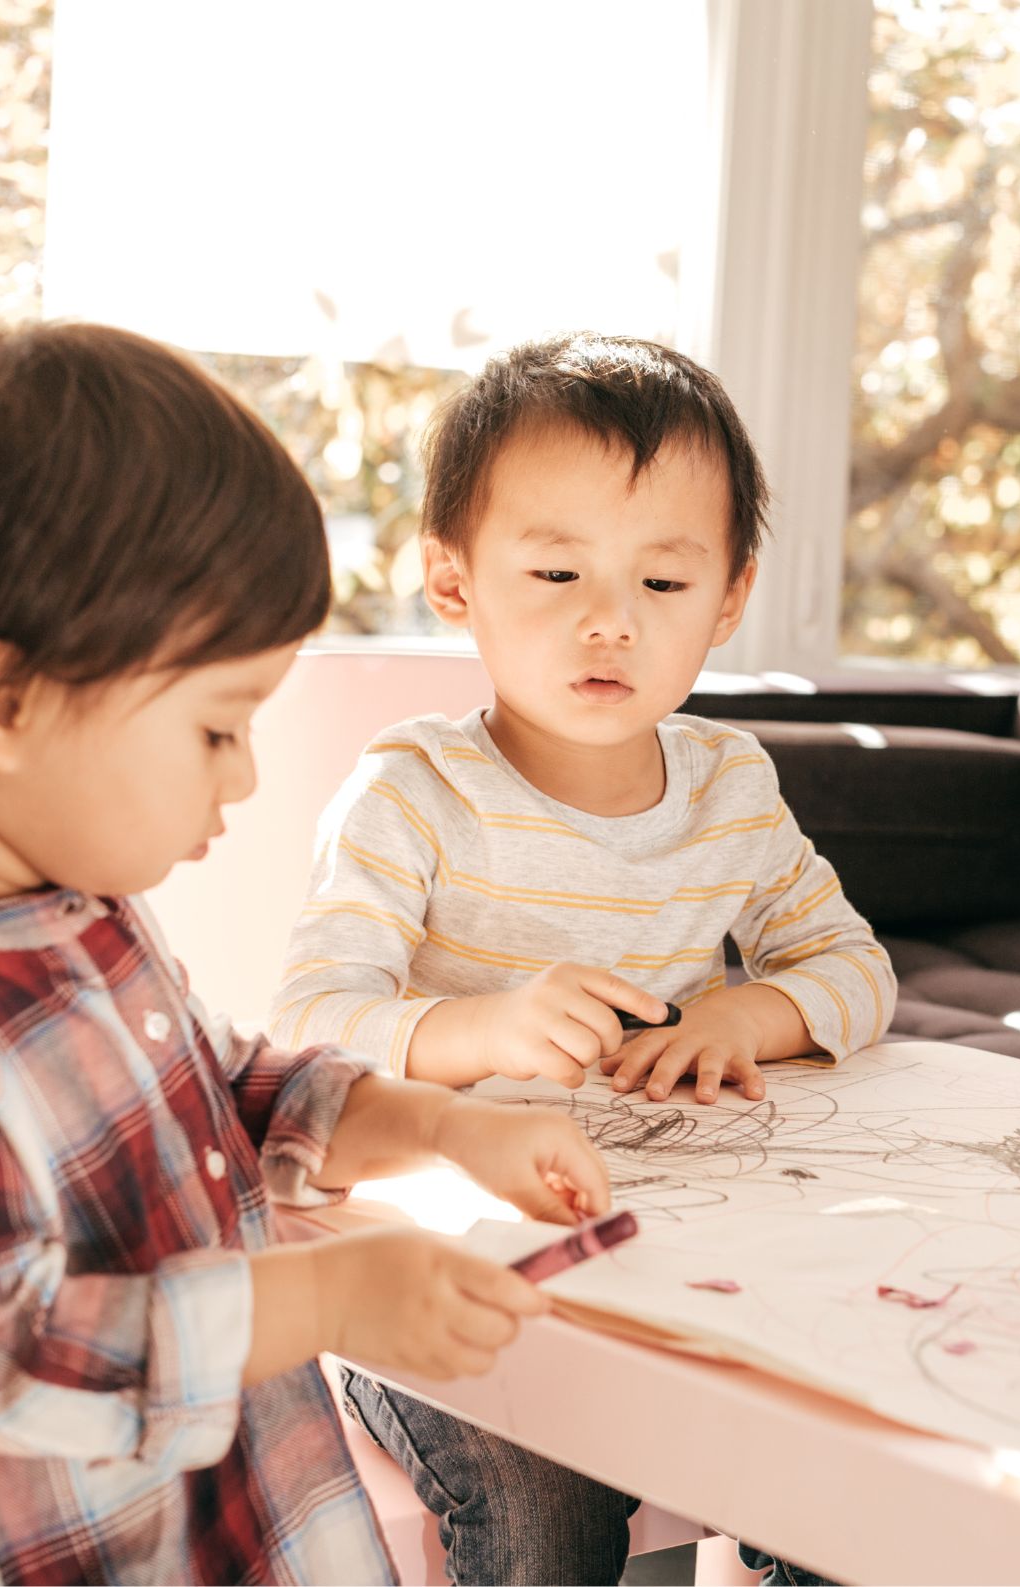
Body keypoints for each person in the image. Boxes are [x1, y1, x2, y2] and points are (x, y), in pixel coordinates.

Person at [0, 323, 611, 1584]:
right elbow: (10, 1358)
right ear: (2, 705)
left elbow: (217, 1093)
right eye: (215, 728)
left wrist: (443, 1130)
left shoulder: (67, 905)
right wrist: (333, 1299)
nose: (245, 776)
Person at [274, 331, 893, 1582]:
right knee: (539, 1503)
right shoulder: (416, 790)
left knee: (850, 1458)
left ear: (728, 598)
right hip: (441, 1259)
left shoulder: (728, 783)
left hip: (675, 1246)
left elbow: (855, 968)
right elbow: (312, 1021)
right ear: (453, 584)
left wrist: (749, 1016)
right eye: (556, 572)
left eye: (663, 588)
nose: (610, 623)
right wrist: (484, 1030)